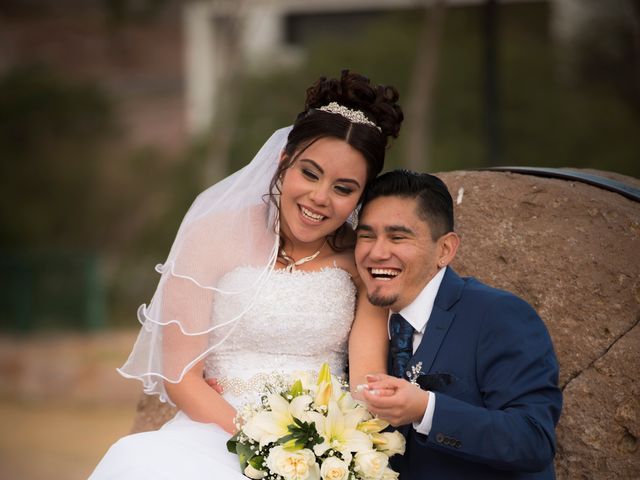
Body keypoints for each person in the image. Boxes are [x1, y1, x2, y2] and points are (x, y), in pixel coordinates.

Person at [90, 70, 403, 479]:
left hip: (322, 448)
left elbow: (363, 381)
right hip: (214, 434)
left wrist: (329, 451)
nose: (319, 198)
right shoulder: (213, 235)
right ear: (284, 161)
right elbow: (181, 378)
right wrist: (266, 449)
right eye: (309, 173)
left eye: (343, 189)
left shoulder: (359, 260)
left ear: (361, 196)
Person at [355, 170, 562, 479]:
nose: (377, 252)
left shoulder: (498, 314)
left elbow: (533, 440)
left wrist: (427, 411)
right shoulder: (358, 324)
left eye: (398, 237)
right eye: (366, 236)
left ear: (445, 250)